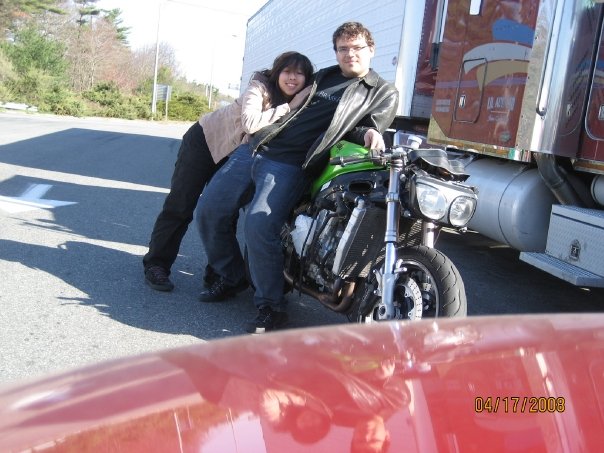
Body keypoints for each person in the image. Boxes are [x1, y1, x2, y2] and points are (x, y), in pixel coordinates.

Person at [197, 22, 398, 332]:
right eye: (343, 48)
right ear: (336, 52)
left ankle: (271, 306)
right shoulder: (324, 76)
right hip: (258, 146)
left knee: (259, 225)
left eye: (357, 47)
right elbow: (287, 94)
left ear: (371, 49)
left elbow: (362, 127)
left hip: (291, 163)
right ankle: (231, 275)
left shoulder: (382, 92)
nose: (350, 54)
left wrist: (370, 133)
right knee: (209, 210)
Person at [142, 51, 314, 292]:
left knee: (225, 210)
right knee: (180, 205)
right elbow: (251, 124)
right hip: (205, 142)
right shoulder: (260, 87)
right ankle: (156, 264)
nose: (292, 78)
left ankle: (219, 273)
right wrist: (289, 107)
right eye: (287, 71)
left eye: (299, 73)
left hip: (236, 155)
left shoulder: (305, 101)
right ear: (277, 73)